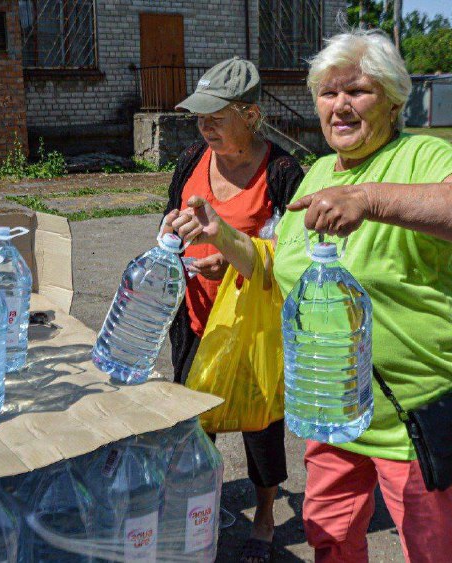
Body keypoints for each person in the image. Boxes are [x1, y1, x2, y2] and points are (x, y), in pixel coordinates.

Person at [169, 30, 452, 563]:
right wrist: (223, 235)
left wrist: (368, 198)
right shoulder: (320, 173)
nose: (340, 105)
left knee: (433, 550)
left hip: (416, 415)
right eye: (328, 94)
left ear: (392, 100)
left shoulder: (423, 155)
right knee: (329, 535)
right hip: (332, 406)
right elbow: (278, 263)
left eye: (357, 91)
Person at [162, 56, 304, 563]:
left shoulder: (283, 172)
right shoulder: (191, 158)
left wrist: (233, 260)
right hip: (195, 312)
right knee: (193, 419)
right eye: (200, 117)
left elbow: (295, 254)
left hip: (252, 323)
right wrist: (168, 236)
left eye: (216, 117)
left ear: (251, 115)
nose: (205, 127)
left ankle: (264, 519)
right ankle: (204, 504)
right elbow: (169, 216)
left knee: (259, 423)